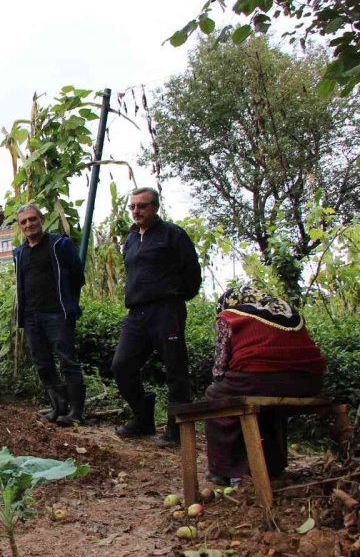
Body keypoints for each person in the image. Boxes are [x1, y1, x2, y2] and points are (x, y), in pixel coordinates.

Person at [204, 285, 326, 485]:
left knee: (215, 396)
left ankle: (222, 470)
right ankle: (273, 467)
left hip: (259, 380)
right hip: (309, 383)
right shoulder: (288, 311)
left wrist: (220, 382)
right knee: (269, 407)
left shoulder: (229, 315)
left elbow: (219, 367)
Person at [112, 187, 202, 446]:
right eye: (132, 207)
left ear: (155, 207)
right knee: (121, 365)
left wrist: (174, 297)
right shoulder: (131, 238)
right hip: (136, 313)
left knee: (175, 370)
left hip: (166, 310)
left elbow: (192, 274)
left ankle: (177, 431)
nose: (136, 211)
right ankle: (143, 417)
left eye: (142, 206)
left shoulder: (173, 234)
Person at [13, 204, 86, 425]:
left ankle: (76, 412)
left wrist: (67, 303)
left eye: (32, 219)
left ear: (42, 220)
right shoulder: (20, 253)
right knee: (42, 362)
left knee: (67, 360)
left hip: (57, 313)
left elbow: (77, 276)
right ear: (20, 226)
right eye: (24, 222)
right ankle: (58, 407)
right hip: (31, 316)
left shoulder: (59, 244)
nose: (29, 224)